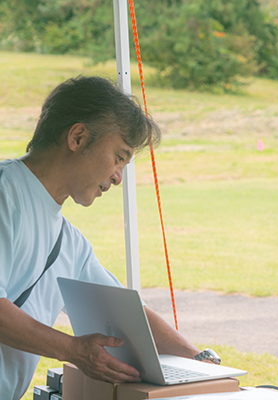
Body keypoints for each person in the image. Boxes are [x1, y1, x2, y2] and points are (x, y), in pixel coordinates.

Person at [0, 76, 212, 400]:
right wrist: (73, 349)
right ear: (78, 137)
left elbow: (129, 317)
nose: (118, 178)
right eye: (119, 157)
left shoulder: (70, 243)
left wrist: (201, 362)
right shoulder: (6, 192)